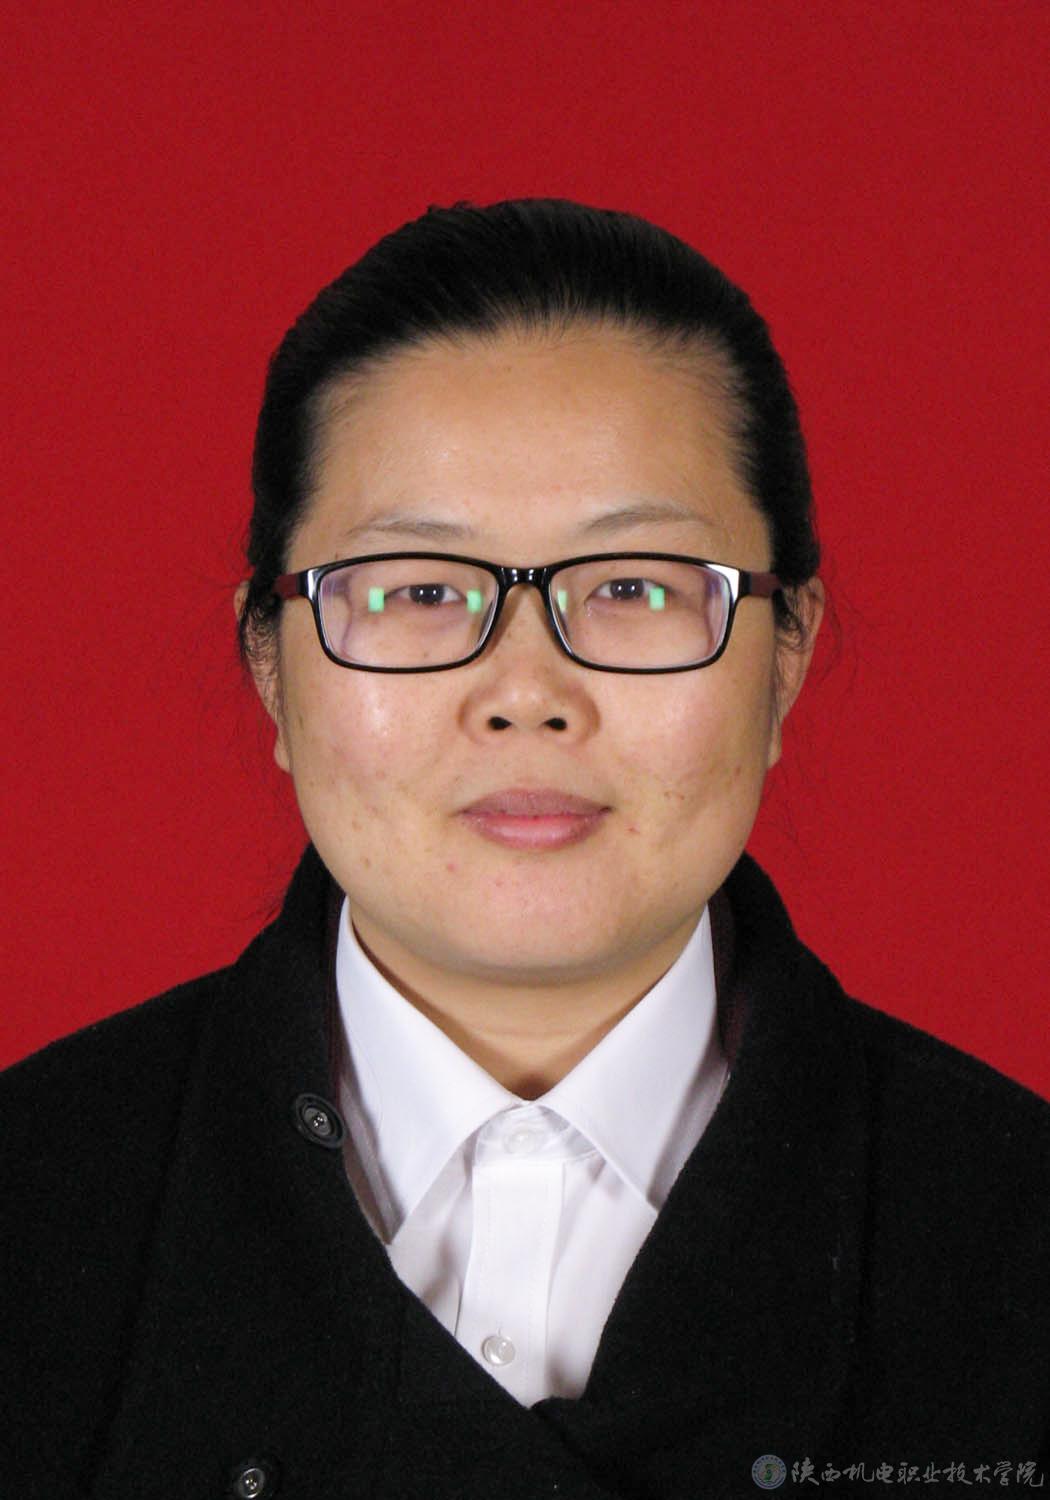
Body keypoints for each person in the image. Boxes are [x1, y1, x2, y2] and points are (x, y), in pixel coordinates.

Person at [2, 199, 1047, 1500]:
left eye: (633, 587)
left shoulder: (1011, 1228)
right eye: (416, 590)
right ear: (269, 666)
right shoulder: (35, 1208)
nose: (526, 693)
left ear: (785, 657)